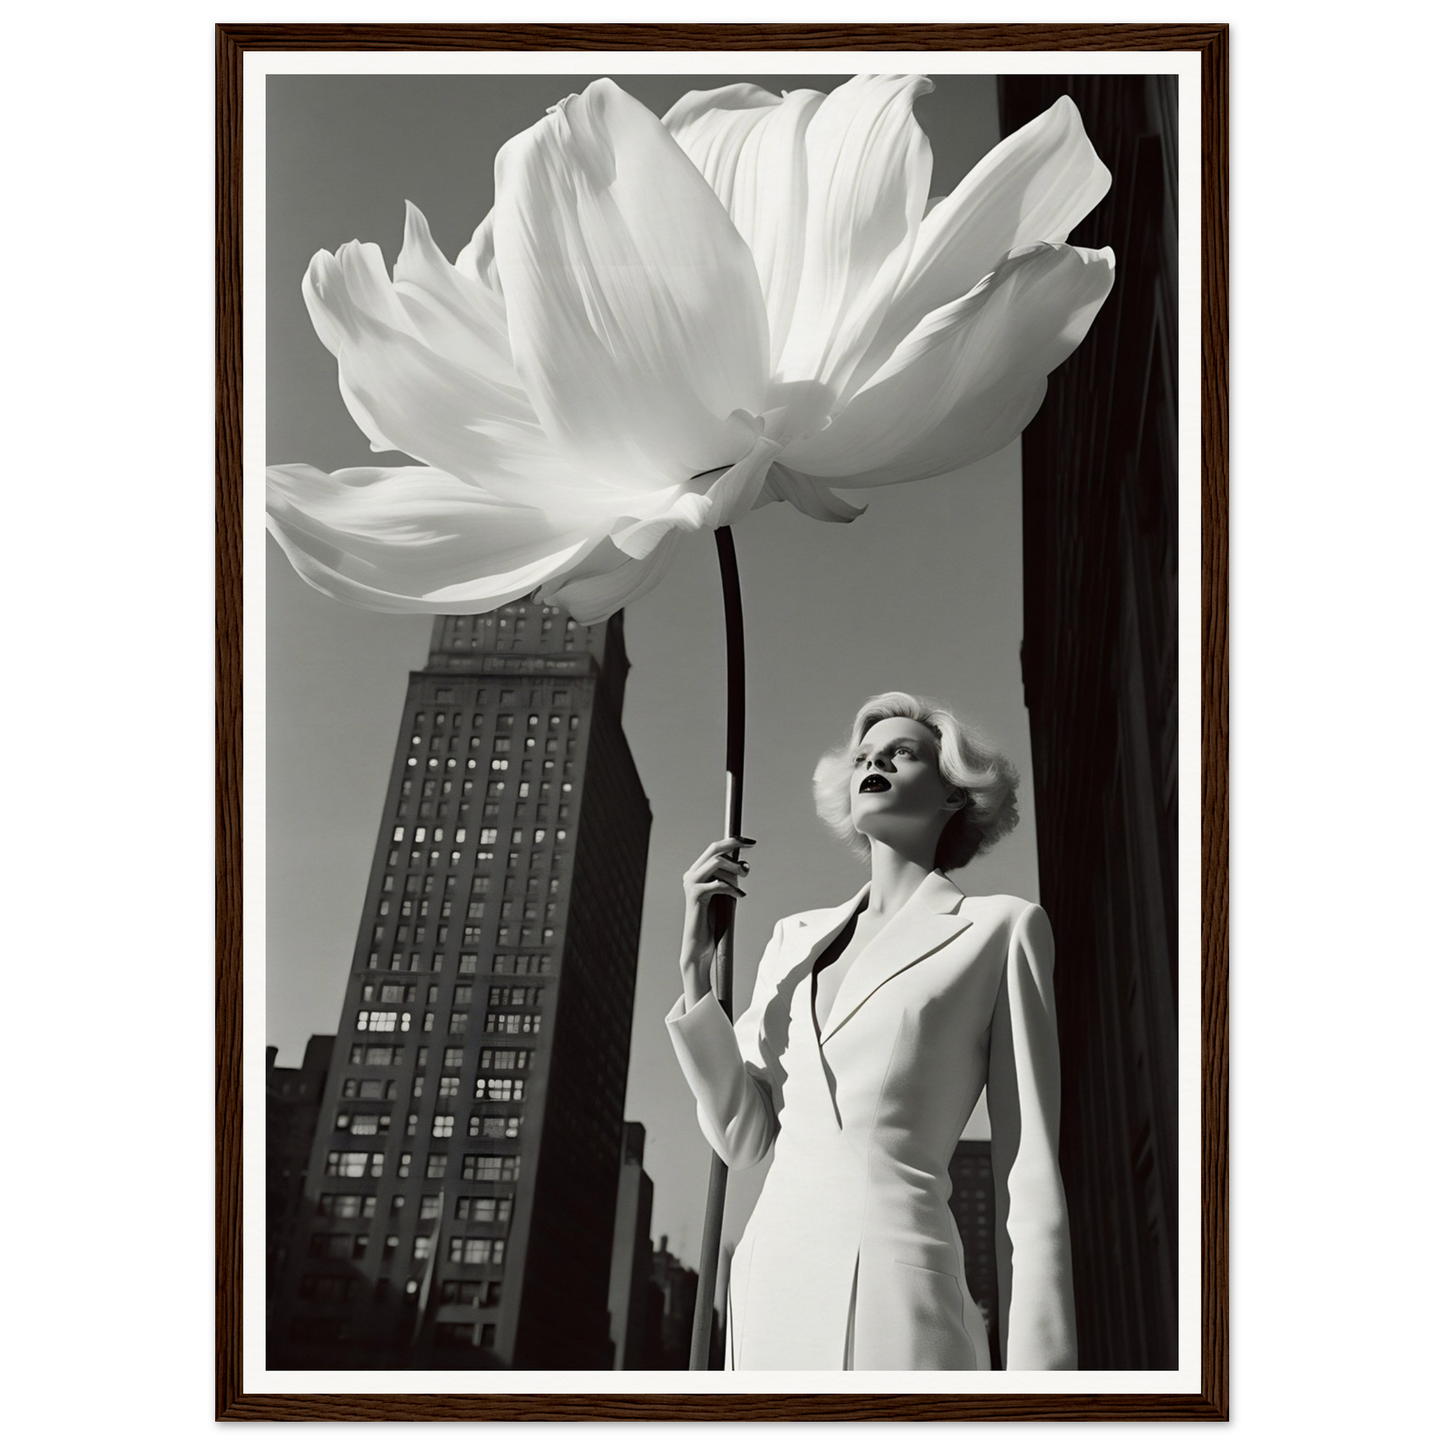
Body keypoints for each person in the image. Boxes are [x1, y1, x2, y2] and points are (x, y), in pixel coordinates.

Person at [665, 692, 1076, 1371]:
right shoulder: (791, 939)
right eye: (862, 756)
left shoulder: (1002, 928)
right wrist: (693, 973)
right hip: (769, 1292)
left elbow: (1028, 1172)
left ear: (952, 793)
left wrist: (1044, 1385)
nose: (874, 762)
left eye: (900, 752)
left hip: (900, 1296)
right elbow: (742, 1138)